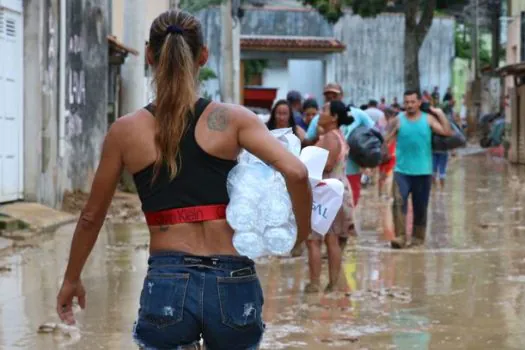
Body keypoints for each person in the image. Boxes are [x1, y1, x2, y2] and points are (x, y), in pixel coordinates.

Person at [56, 10, 312, 350]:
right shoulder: (233, 119)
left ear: (149, 54)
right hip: (233, 277)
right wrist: (301, 236)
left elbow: (91, 216)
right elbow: (297, 172)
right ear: (203, 56)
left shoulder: (125, 131)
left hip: (167, 278)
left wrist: (71, 278)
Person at [385, 90, 452, 249]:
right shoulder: (398, 120)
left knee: (420, 206)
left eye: (412, 102)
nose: (409, 105)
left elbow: (447, 132)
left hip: (423, 171)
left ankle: (417, 238)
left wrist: (440, 113)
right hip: (402, 171)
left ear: (419, 103)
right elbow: (386, 139)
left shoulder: (428, 119)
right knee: (398, 203)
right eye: (406, 102)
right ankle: (400, 237)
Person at [305, 100, 354, 294]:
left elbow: (325, 165)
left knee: (314, 240)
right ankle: (332, 285)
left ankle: (315, 284)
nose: (320, 113)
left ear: (334, 117)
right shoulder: (336, 136)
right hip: (335, 191)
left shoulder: (330, 138)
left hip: (326, 193)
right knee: (331, 238)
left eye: (324, 110)